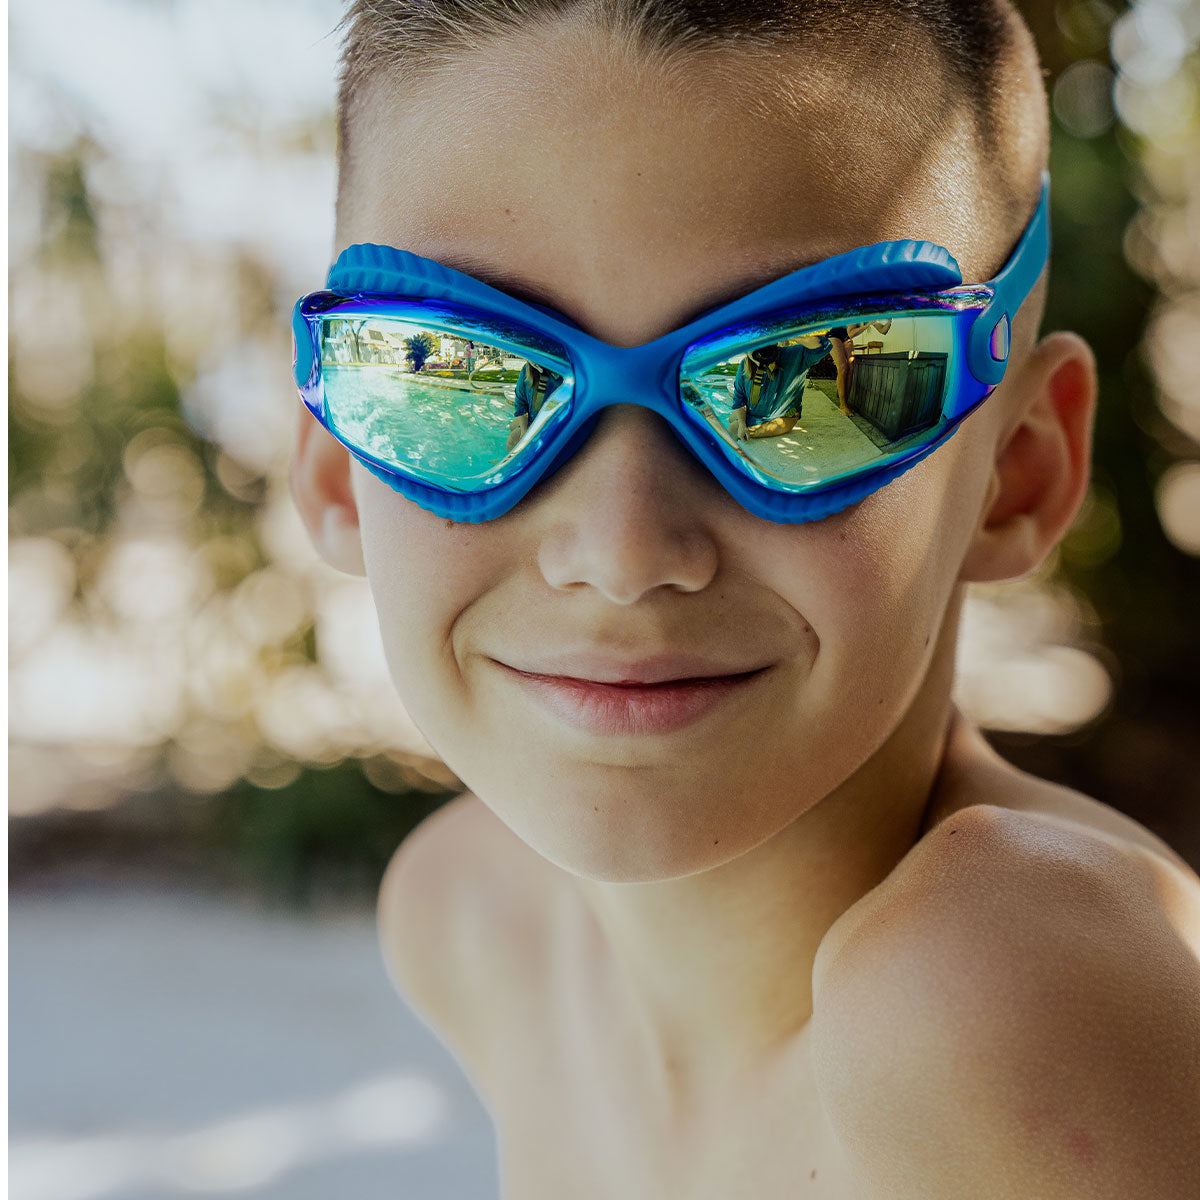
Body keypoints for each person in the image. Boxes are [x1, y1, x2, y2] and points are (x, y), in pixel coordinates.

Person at [291, 2, 1200, 1196]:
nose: (621, 553)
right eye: (458, 377)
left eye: (812, 384)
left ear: (1018, 470)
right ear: (335, 470)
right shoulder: (471, 918)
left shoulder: (989, 998)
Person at [727, 335, 830, 440]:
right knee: (731, 419)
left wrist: (790, 334)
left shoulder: (792, 356)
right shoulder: (745, 365)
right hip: (754, 414)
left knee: (732, 430)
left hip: (783, 418)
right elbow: (739, 399)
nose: (761, 352)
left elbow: (825, 345)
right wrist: (742, 422)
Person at [506, 360, 566, 452]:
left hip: (552, 422)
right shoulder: (527, 369)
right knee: (513, 429)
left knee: (514, 437)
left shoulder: (559, 374)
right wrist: (524, 432)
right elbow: (521, 403)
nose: (533, 363)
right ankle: (510, 458)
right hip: (533, 419)